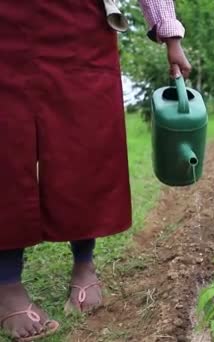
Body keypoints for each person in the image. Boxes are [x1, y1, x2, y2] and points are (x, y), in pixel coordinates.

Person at [0, 1, 191, 340]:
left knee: (84, 148)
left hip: (80, 26)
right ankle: (7, 284)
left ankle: (84, 264)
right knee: (6, 149)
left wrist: (170, 35)